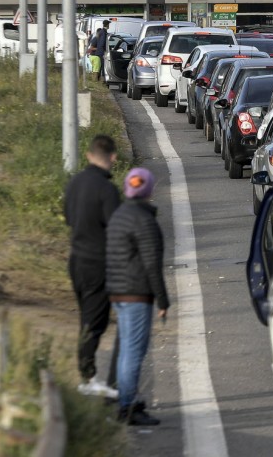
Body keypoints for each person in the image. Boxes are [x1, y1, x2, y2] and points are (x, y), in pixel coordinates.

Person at [106, 167, 169, 426]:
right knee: (134, 351)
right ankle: (128, 406)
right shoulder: (145, 221)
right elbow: (152, 263)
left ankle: (125, 400)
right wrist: (162, 299)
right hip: (136, 293)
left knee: (125, 352)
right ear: (150, 190)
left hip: (118, 291)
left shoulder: (118, 215)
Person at [63, 134, 121, 399]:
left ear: (88, 155)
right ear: (112, 158)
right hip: (98, 263)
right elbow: (116, 228)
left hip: (76, 260)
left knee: (86, 317)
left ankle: (87, 375)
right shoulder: (106, 190)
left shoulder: (74, 182)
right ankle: (87, 377)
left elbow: (67, 216)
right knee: (93, 322)